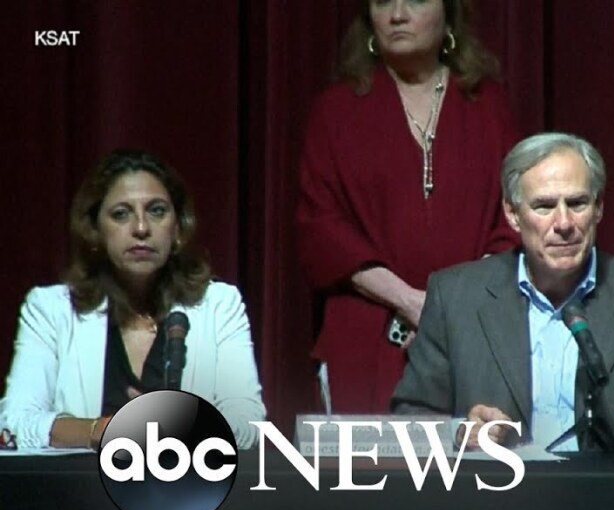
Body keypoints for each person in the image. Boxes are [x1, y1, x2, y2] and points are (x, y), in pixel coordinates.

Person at [391, 132, 614, 454]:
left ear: (598, 208)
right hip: (498, 483)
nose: (564, 223)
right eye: (544, 206)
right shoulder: (455, 297)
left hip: (609, 484)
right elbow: (409, 417)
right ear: (513, 214)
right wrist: (459, 433)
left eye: (577, 203)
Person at [296, 0, 519, 414]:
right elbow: (320, 230)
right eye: (383, 2)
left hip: (472, 331)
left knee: (473, 453)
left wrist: (453, 312)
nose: (397, 15)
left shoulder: (488, 104)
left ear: (449, 13)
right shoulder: (336, 110)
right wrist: (412, 303)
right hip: (367, 335)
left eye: (415, 0)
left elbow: (514, 219)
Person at [0, 150, 266, 449]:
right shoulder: (51, 309)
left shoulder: (219, 305)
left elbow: (249, 424)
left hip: (189, 476)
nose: (141, 228)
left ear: (178, 229)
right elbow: (14, 423)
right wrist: (105, 430)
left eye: (157, 211)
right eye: (121, 214)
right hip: (84, 480)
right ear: (95, 231)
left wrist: (180, 425)